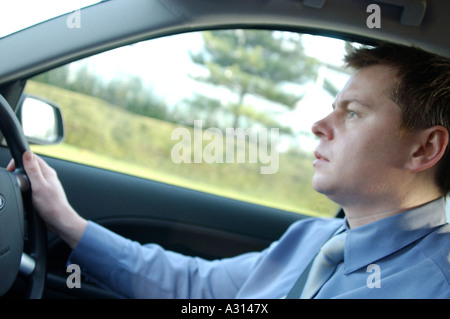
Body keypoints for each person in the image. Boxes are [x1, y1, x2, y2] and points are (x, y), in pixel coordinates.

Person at [9, 42, 450, 298]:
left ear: (424, 148)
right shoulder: (313, 239)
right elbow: (195, 287)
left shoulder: (435, 285)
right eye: (334, 108)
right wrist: (70, 224)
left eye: (352, 113)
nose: (318, 125)